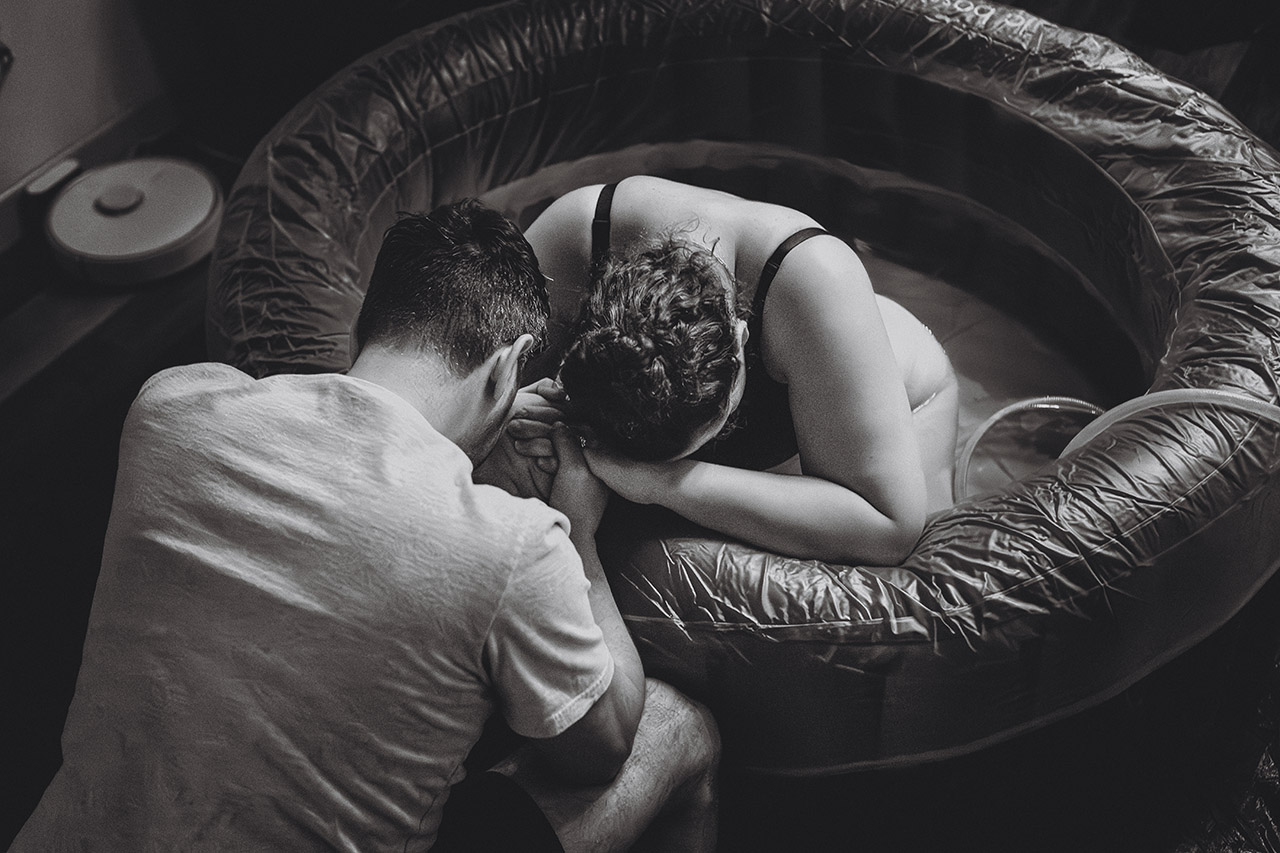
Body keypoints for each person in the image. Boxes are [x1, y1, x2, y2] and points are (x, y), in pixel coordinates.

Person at [9, 200, 719, 852]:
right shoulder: (514, 544)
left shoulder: (168, 409)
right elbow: (603, 745)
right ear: (506, 370)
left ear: (363, 323)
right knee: (681, 727)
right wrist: (581, 536)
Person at [511, 175, 959, 567]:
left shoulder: (820, 279)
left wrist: (662, 482)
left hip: (904, 404)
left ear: (742, 340)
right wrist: (512, 403)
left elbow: (890, 527)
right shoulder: (577, 234)